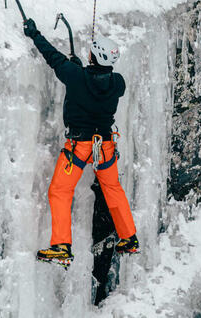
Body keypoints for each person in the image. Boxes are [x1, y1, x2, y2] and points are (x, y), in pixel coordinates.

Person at [22, 18, 139, 267]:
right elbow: (97, 81)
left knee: (60, 191)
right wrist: (79, 70)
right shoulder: (118, 83)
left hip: (79, 146)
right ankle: (129, 238)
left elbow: (53, 57)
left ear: (94, 56)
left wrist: (34, 34)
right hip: (105, 147)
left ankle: (62, 246)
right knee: (113, 189)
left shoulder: (75, 77)